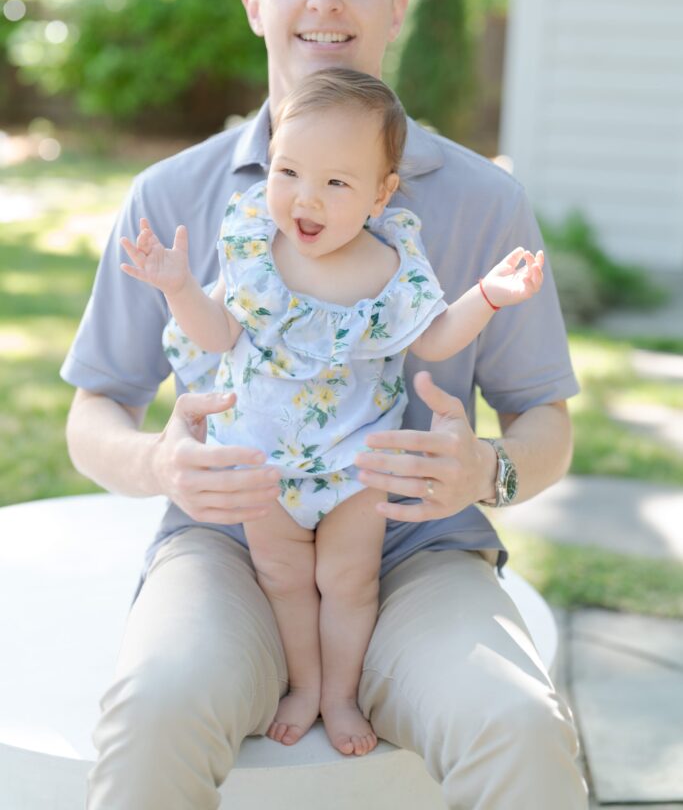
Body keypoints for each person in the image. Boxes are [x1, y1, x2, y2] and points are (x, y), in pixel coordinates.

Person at [62, 0, 588, 809]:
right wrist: (159, 463)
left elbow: (543, 420)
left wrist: (484, 474)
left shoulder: (481, 202)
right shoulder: (172, 199)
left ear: (394, 6)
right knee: (155, 709)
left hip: (417, 550)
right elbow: (93, 409)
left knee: (517, 729)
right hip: (228, 543)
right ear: (256, 1)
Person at [119, 67, 545, 757]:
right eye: (289, 171)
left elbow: (433, 339)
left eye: (336, 183)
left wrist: (488, 296)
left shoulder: (390, 267)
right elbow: (219, 334)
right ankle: (303, 685)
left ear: (380, 195)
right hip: (258, 460)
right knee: (283, 578)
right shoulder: (255, 245)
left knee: (346, 581)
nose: (304, 199)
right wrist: (176, 288)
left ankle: (342, 695)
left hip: (354, 462)